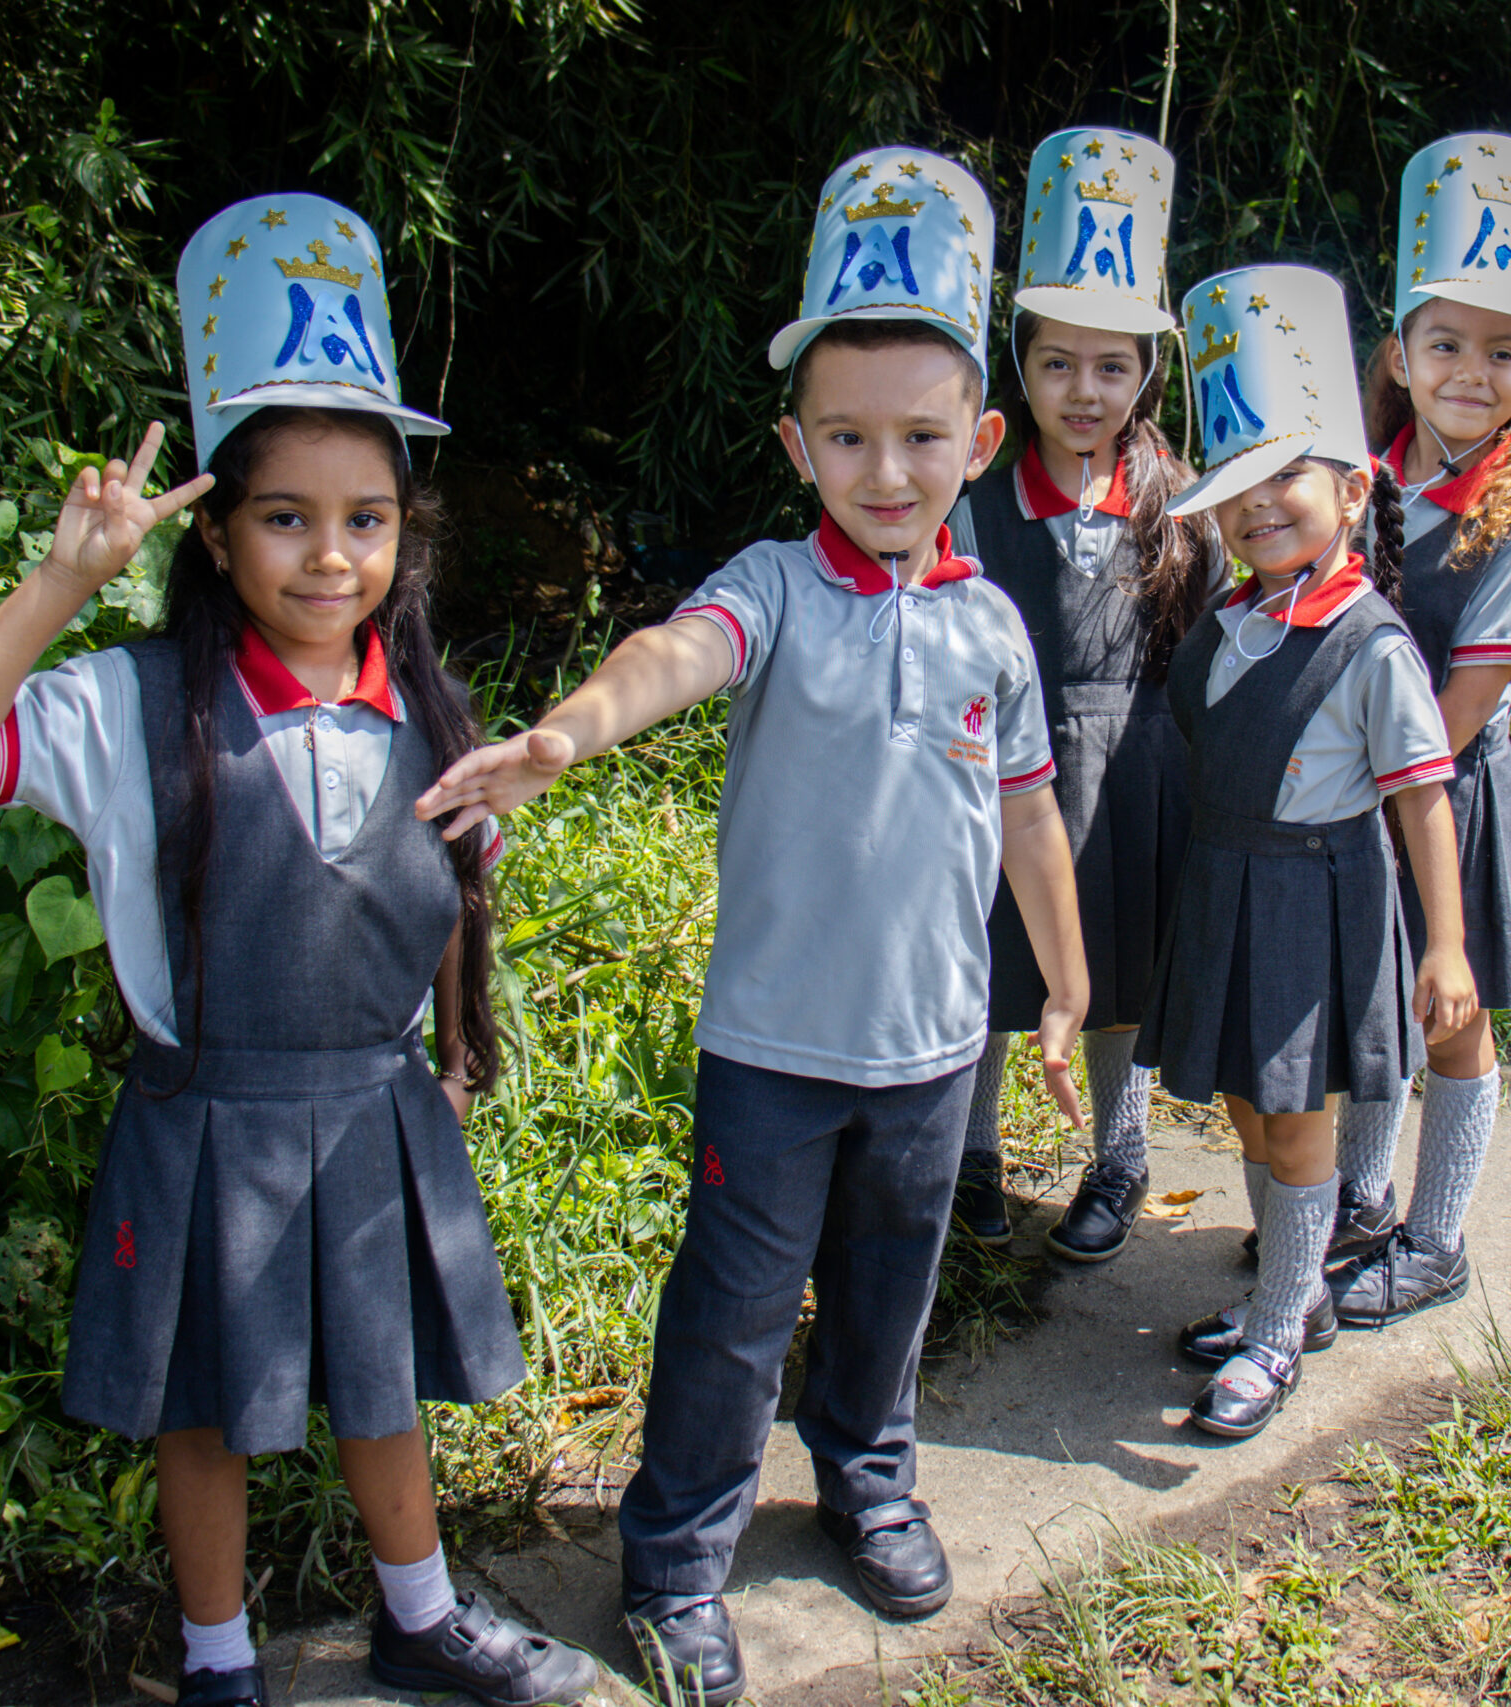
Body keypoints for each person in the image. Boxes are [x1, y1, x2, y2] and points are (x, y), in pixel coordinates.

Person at [0, 196, 597, 1707]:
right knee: (202, 1407)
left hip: (377, 1103)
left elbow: (452, 919)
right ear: (214, 532)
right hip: (206, 1110)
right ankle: (216, 1661)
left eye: (368, 519)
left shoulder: (437, 712)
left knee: (382, 1372)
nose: (330, 555)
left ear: (406, 532)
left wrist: (451, 1076)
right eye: (286, 517)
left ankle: (418, 1610)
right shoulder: (126, 703)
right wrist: (65, 578)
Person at [413, 147, 1089, 1705]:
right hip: (775, 1048)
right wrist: (571, 730)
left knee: (886, 1288)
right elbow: (673, 652)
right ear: (798, 445)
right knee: (729, 1308)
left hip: (932, 1049)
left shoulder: (993, 627)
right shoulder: (776, 585)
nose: (886, 469)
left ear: (979, 441)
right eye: (847, 437)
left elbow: (1031, 814)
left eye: (921, 437)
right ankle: (675, 1555)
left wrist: (1061, 981)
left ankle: (868, 1478)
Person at [1140, 266, 1477, 1440]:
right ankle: (1290, 1295)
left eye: (1287, 476)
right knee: (1243, 1106)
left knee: (1296, 1124)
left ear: (1349, 485)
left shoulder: (1370, 643)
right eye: (1233, 490)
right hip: (1221, 888)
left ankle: (1282, 1326)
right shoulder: (1230, 618)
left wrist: (1445, 944)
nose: (1259, 506)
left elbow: (1425, 795)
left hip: (1309, 903)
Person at [943, 127, 1216, 1264]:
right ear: (1019, 365)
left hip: (1137, 774)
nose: (1083, 390)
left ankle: (1120, 1156)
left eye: (1112, 367)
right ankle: (969, 1157)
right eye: (1057, 363)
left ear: (1147, 373)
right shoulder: (975, 499)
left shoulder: (1179, 502)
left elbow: (1205, 647)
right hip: (1007, 772)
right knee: (989, 963)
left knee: (1113, 983)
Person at [1326, 133, 1511, 1328]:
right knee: (1375, 1006)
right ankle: (1361, 1205)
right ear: (1399, 356)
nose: (1469, 371)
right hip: (1358, 791)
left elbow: (1456, 714)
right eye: (1445, 344)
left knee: (1451, 1014)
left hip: (1445, 800)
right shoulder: (1354, 487)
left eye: (1501, 350)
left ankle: (1437, 1240)